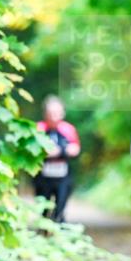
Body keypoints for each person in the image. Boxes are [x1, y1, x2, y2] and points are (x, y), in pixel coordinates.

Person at [34, 95, 80, 223]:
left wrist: (58, 152)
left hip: (63, 176)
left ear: (62, 113)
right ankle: (43, 229)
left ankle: (59, 228)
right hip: (42, 177)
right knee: (43, 209)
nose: (54, 117)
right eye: (51, 113)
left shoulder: (68, 129)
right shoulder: (38, 129)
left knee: (60, 208)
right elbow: (33, 151)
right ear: (45, 114)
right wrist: (61, 151)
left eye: (57, 113)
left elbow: (75, 149)